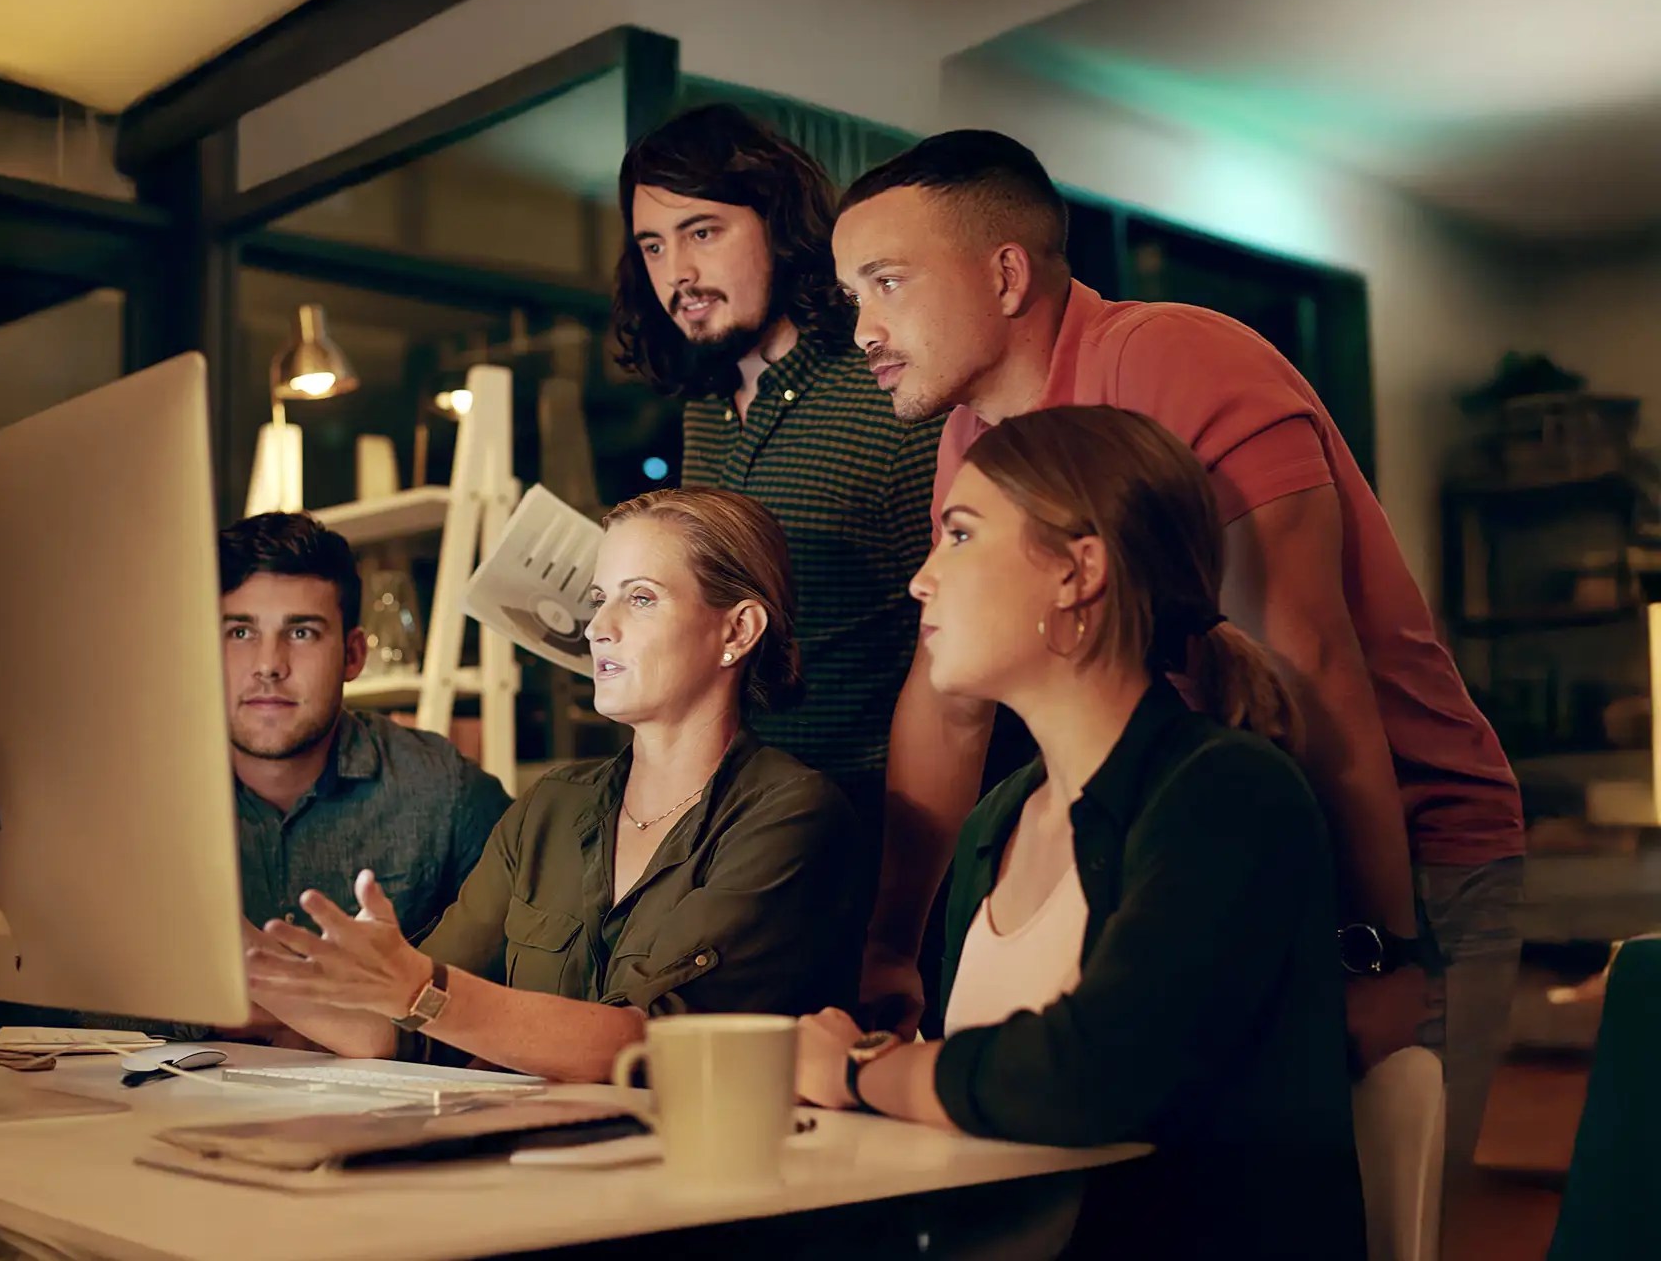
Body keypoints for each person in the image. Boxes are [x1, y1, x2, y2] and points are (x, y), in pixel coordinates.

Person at [834, 129, 1520, 1169]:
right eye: (852, 297)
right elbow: (946, 701)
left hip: (1405, 846)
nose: (864, 331)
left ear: (1005, 272)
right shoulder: (976, 439)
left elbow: (1308, 665)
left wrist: (1375, 947)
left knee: (1368, 1206)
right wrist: (888, 943)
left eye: (884, 284)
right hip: (1203, 844)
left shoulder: (1176, 356)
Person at [791, 406, 1363, 1260]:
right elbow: (979, 1095)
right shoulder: (994, 822)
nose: (922, 579)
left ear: (1077, 570)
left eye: (958, 535)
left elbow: (1093, 1074)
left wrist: (859, 1070)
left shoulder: (1227, 793)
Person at [243, 489, 863, 1082]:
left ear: (737, 630)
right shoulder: (551, 808)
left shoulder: (789, 815)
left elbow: (649, 1047)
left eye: (640, 598)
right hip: (533, 1170)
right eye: (600, 598)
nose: (598, 628)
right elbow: (406, 1031)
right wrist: (239, 955)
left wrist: (417, 990)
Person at [612, 104, 941, 831]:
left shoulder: (884, 389)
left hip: (877, 826)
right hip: (733, 822)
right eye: (654, 247)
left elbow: (958, 655)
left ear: (777, 225)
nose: (680, 274)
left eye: (702, 232)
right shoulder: (704, 404)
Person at [218, 512, 508, 942]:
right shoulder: (140, 799)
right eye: (241, 633)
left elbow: (534, 975)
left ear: (353, 655)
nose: (268, 666)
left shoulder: (444, 793)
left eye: (301, 632)